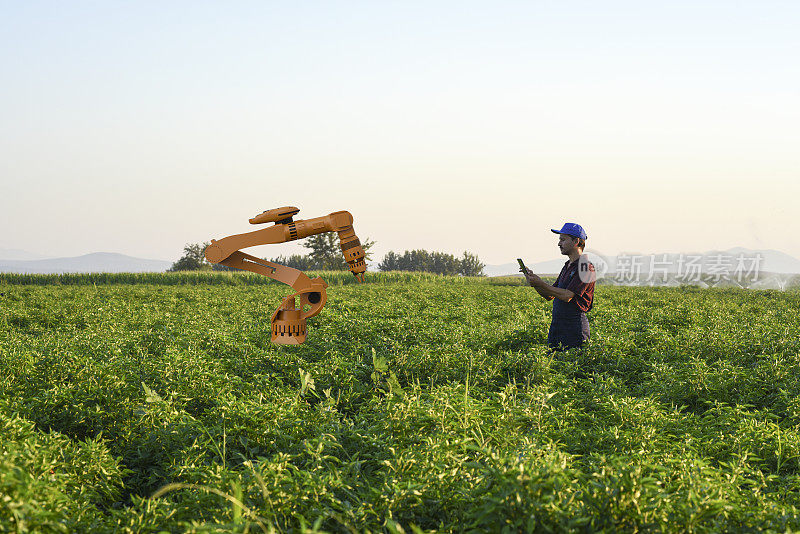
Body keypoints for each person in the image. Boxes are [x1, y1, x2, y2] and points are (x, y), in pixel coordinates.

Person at [521, 223, 596, 351]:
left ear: (576, 241)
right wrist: (535, 283)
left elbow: (567, 296)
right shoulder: (567, 266)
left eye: (563, 239)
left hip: (574, 327)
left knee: (571, 366)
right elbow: (550, 295)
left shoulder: (585, 267)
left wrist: (541, 283)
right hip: (558, 325)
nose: (559, 244)